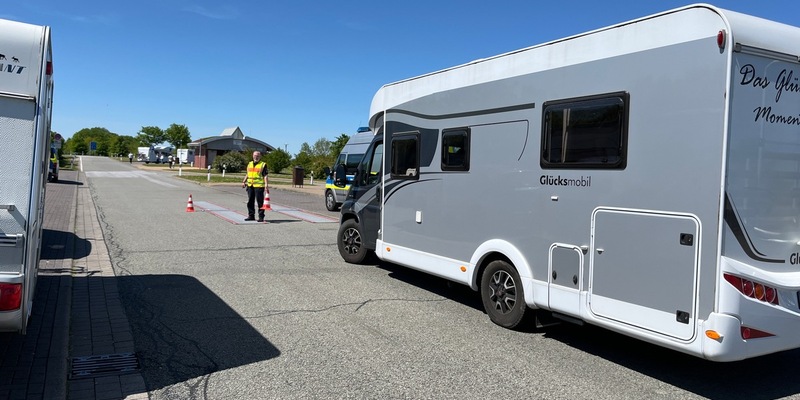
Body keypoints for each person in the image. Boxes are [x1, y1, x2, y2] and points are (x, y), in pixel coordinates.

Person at [242, 151, 268, 222]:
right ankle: (251, 215)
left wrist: (266, 185)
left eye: (258, 156)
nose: (256, 157)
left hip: (259, 185)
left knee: (260, 202)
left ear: (260, 156)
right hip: (250, 185)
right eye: (255, 155)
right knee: (250, 201)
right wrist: (244, 181)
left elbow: (265, 175)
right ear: (252, 156)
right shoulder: (249, 164)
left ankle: (261, 216)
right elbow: (247, 174)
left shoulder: (263, 164)